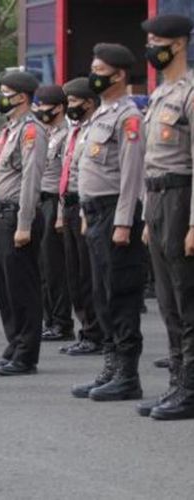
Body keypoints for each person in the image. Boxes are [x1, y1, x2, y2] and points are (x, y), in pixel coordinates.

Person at [70, 43, 146, 402]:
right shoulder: (100, 115)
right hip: (95, 214)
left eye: (99, 70)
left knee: (121, 295)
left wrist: (124, 222)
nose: (93, 74)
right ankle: (111, 367)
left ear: (118, 75)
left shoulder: (128, 117)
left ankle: (127, 375)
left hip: (116, 212)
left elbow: (132, 176)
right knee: (101, 295)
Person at [137, 14, 194, 420]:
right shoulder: (160, 94)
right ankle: (176, 382)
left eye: (156, 41)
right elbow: (147, 163)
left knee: (186, 297)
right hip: (157, 200)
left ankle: (190, 388)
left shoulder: (191, 93)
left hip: (180, 197)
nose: (151, 47)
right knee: (167, 300)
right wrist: (144, 216)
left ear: (178, 45)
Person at [0, 71, 46, 376]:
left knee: (22, 289)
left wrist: (24, 223)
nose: (2, 97)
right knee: (6, 289)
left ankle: (26, 354)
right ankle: (13, 345)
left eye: (7, 92)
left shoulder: (32, 129)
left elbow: (32, 179)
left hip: (16, 216)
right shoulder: (11, 129)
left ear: (22, 96)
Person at [55, 77, 103, 356]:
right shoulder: (77, 131)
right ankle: (86, 329)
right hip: (70, 205)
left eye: (73, 101)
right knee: (74, 274)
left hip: (87, 206)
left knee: (88, 273)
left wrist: (84, 211)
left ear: (88, 102)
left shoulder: (95, 129)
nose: (69, 106)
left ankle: (96, 332)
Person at [33, 85, 75, 343]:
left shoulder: (67, 135)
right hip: (39, 201)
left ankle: (61, 323)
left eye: (45, 106)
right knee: (42, 267)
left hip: (53, 202)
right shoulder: (42, 133)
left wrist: (60, 213)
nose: (40, 111)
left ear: (59, 107)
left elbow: (65, 176)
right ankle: (49, 319)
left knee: (55, 268)